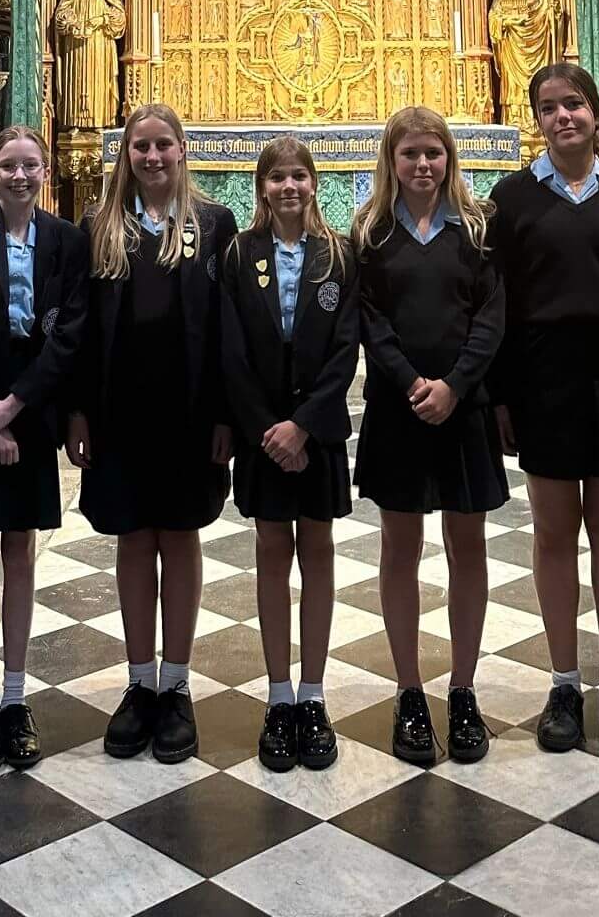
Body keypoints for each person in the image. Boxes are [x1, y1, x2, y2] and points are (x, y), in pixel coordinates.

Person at [487, 62, 599, 761]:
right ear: (537, 120)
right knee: (555, 535)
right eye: (548, 108)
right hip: (544, 387)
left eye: (574, 105)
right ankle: (565, 683)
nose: (562, 117)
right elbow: (500, 304)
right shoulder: (512, 199)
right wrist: (502, 396)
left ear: (596, 114)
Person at [66, 104, 233, 764]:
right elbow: (79, 330)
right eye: (142, 146)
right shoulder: (101, 226)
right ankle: (140, 683)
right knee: (134, 540)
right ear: (126, 154)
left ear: (183, 150)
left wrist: (226, 414)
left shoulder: (212, 223)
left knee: (180, 537)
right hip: (119, 410)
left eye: (165, 145)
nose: (154, 157)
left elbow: (225, 328)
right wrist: (76, 410)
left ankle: (178, 684)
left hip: (189, 411)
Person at [354, 106, 505, 767]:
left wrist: (456, 384)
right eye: (409, 154)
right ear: (391, 161)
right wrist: (413, 382)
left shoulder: (477, 230)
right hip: (398, 407)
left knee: (466, 544)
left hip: (463, 407)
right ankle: (410, 690)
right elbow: (370, 318)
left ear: (450, 159)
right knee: (400, 546)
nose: (421, 165)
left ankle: (464, 688)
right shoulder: (372, 233)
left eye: (433, 154)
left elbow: (491, 316)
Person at [0, 128, 86, 773]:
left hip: (31, 412)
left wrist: (17, 407)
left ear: (46, 169)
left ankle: (17, 695)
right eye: (9, 165)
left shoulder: (64, 241)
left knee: (22, 548)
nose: (20, 175)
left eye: (31, 164)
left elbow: (70, 336)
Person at [220, 137, 359, 774]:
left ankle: (313, 694)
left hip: (318, 433)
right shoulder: (239, 253)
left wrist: (302, 427)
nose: (289, 187)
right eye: (277, 177)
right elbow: (232, 351)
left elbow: (345, 349)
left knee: (319, 555)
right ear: (262, 187)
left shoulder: (337, 255)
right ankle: (278, 696)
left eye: (299, 175)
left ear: (314, 183)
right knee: (273, 554)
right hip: (261, 437)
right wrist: (267, 429)